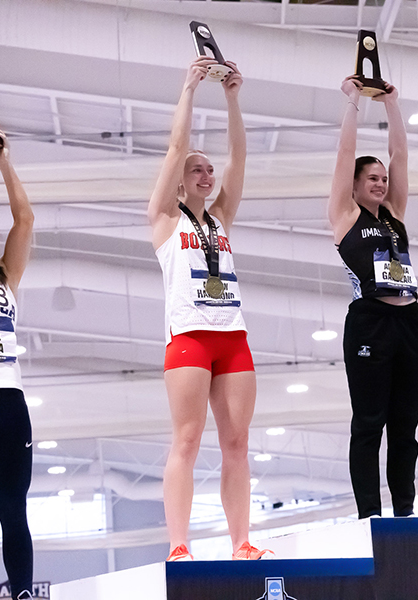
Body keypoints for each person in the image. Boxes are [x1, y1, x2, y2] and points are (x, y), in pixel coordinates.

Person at [148, 57, 269, 561]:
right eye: (196, 169)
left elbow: (238, 159)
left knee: (237, 443)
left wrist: (233, 98)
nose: (206, 173)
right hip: (191, 337)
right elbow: (178, 146)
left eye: (207, 169)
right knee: (188, 439)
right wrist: (189, 89)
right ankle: (179, 545)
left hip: (232, 335)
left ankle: (241, 542)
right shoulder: (163, 219)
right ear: (179, 181)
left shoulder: (220, 217)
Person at [328, 76, 418, 519]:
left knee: (405, 427)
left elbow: (401, 154)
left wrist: (392, 105)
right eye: (372, 178)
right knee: (370, 424)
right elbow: (345, 155)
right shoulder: (346, 215)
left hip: (409, 323)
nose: (381, 183)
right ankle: (370, 513)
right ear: (354, 184)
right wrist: (354, 103)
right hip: (370, 322)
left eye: (383, 179)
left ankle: (404, 510)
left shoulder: (395, 215)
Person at [0, 128, 35, 599]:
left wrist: (3, 162)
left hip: (7, 403)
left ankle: (21, 592)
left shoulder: (6, 275)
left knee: (13, 510)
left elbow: (25, 218)